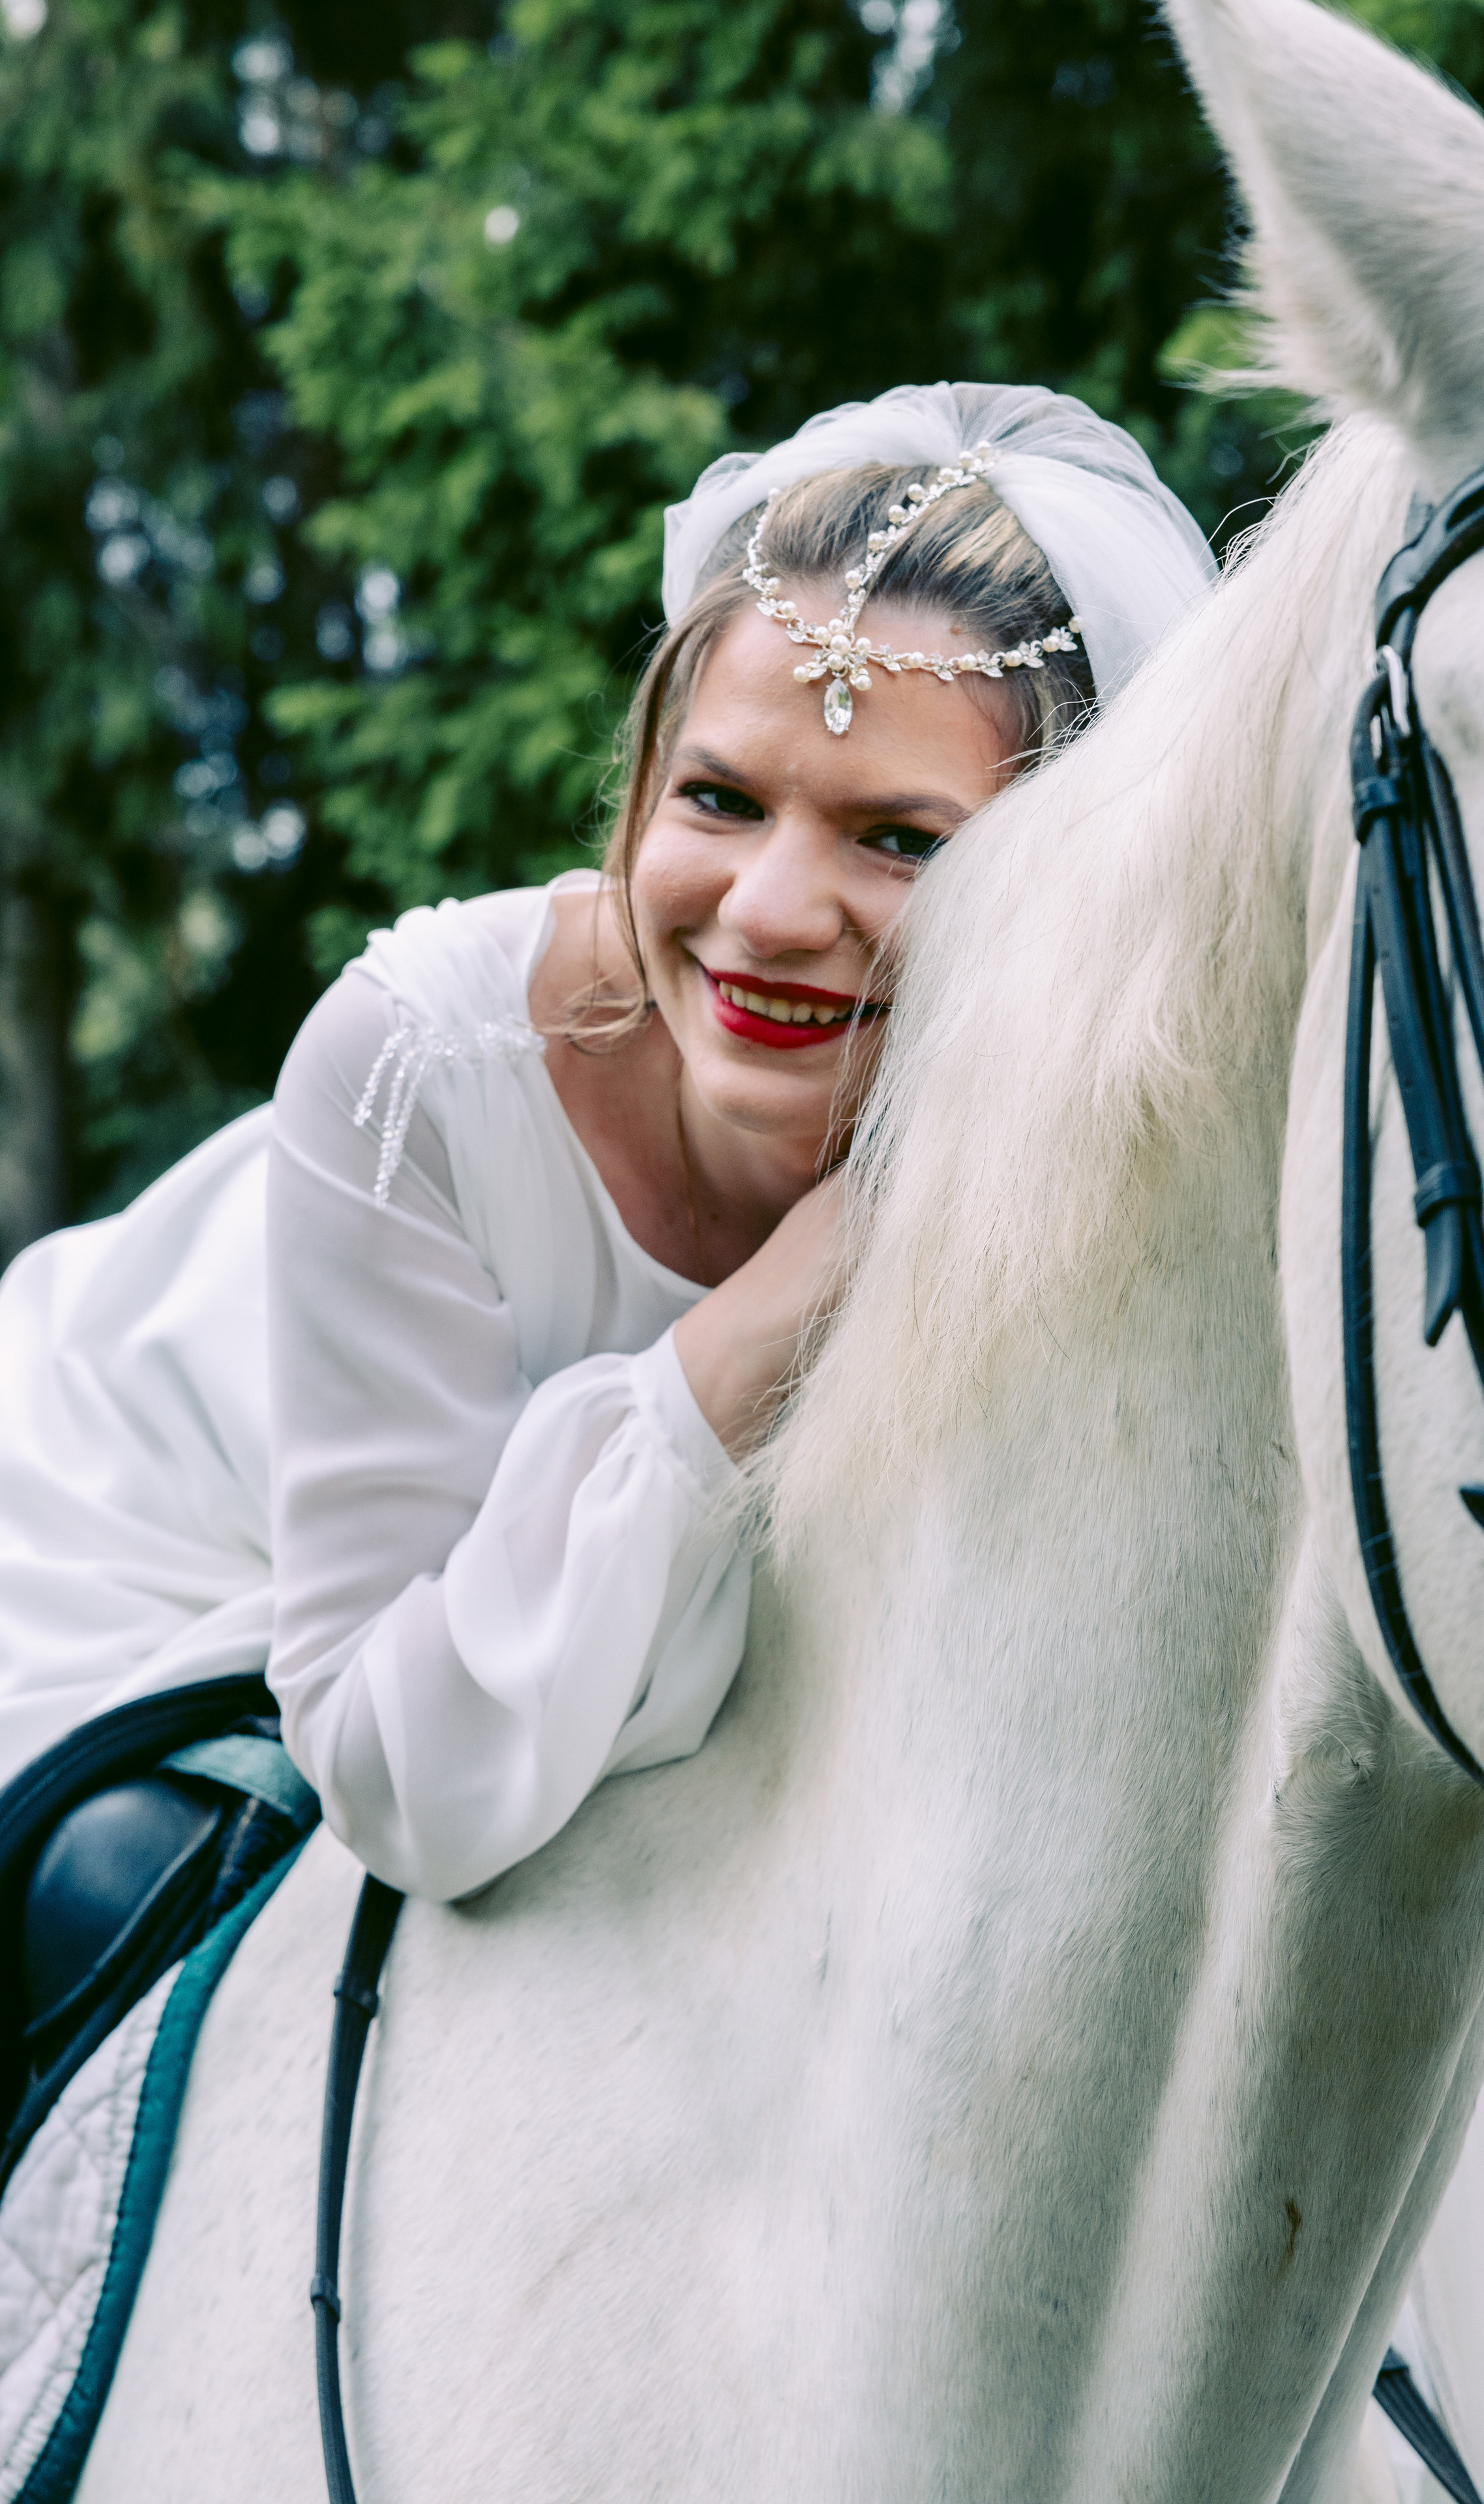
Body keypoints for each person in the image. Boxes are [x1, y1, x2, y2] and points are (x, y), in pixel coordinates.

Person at [0, 381, 1215, 1901]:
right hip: (132, 1514)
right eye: (717, 798)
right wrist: (805, 1283)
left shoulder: (1124, 1152)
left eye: (899, 839)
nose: (769, 913)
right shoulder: (410, 1067)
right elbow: (402, 1785)